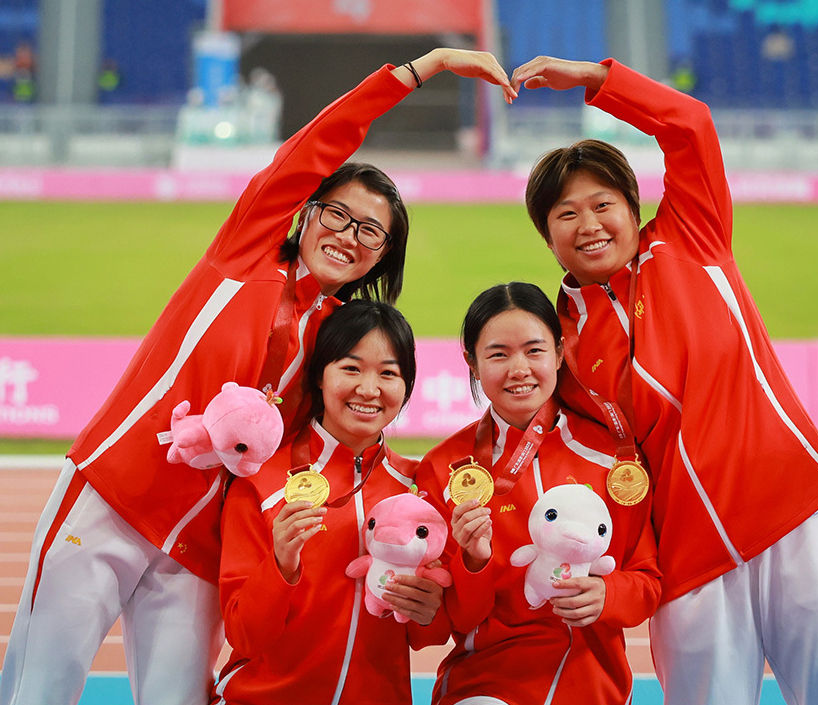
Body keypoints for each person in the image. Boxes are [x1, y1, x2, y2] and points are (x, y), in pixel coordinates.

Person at [0, 48, 513, 705]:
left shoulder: (341, 342)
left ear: (383, 257)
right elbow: (318, 142)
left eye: (371, 232)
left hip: (201, 546)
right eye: (337, 214)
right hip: (114, 496)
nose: (349, 235)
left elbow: (340, 439)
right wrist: (424, 67)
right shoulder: (244, 255)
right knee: (40, 688)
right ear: (306, 211)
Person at [514, 55, 818, 704]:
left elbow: (689, 124)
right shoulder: (557, 342)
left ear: (633, 208)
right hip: (688, 560)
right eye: (565, 215)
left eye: (602, 204)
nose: (588, 225)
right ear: (547, 237)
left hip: (792, 514)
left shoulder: (690, 235)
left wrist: (596, 81)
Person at [414, 282, 660, 705]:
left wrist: (610, 595)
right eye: (498, 354)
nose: (519, 369)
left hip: (594, 687)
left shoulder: (612, 456)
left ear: (560, 354)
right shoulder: (445, 469)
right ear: (472, 363)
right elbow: (453, 621)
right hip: (487, 685)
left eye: (534, 351)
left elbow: (647, 580)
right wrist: (473, 562)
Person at [213, 300, 448, 704]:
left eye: (388, 373)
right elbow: (244, 635)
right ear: (320, 376)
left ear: (407, 387)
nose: (369, 390)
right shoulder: (261, 482)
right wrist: (281, 566)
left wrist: (430, 611)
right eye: (351, 368)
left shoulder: (418, 488)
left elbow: (429, 636)